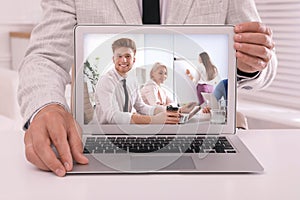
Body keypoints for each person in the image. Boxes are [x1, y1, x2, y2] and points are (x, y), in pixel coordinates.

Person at [18, 0, 277, 176]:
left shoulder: (135, 82)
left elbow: (263, 56)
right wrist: (46, 106)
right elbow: (46, 57)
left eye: (129, 57)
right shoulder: (110, 81)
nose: (125, 61)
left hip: (200, 138)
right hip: (108, 139)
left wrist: (250, 64)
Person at [95, 38, 180, 124]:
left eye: (127, 56)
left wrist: (164, 111)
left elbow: (141, 107)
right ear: (113, 59)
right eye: (119, 56)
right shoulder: (106, 81)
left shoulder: (132, 81)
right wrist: (154, 120)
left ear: (133, 60)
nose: (123, 60)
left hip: (127, 130)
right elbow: (114, 117)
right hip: (106, 132)